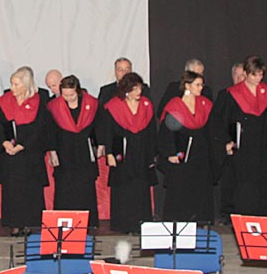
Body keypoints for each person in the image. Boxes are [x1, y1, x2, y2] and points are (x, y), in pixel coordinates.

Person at [208, 55, 267, 216]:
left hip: (262, 148)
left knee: (263, 187)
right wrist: (227, 141)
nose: (258, 78)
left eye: (261, 74)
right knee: (244, 188)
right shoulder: (232, 94)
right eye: (254, 75)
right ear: (246, 74)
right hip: (242, 149)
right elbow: (221, 121)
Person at [99, 72, 157, 233]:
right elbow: (108, 132)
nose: (139, 91)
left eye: (140, 88)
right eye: (135, 88)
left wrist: (152, 154)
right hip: (122, 152)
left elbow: (152, 131)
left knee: (141, 187)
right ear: (126, 89)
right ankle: (123, 224)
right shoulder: (113, 106)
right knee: (123, 188)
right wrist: (109, 153)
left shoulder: (146, 104)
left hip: (142, 152)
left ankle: (141, 222)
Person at [0, 66, 51, 236]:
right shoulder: (3, 100)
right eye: (12, 83)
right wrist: (4, 142)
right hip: (9, 154)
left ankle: (29, 223)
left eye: (16, 84)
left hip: (30, 153)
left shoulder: (39, 100)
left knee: (30, 189)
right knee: (12, 190)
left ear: (26, 85)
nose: (12, 88)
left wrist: (22, 145)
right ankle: (14, 224)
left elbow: (40, 128)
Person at [159, 70, 217, 223]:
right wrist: (170, 153)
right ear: (187, 86)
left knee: (200, 187)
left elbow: (212, 129)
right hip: (181, 155)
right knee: (181, 189)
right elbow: (166, 133)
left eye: (202, 85)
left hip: (200, 154)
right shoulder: (175, 105)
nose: (201, 88)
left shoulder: (205, 104)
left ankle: (200, 221)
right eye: (197, 85)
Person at [46, 75, 100, 227]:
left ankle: (87, 223)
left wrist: (100, 145)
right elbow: (50, 131)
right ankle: (64, 224)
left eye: (71, 95)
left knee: (85, 187)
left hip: (84, 151)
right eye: (65, 95)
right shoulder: (53, 106)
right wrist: (52, 151)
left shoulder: (91, 103)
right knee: (65, 187)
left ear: (78, 91)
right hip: (64, 151)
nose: (68, 98)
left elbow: (99, 126)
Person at [215, 62, 247, 224]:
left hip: (247, 148)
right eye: (237, 75)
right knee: (229, 182)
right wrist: (226, 142)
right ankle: (228, 214)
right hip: (229, 147)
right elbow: (218, 121)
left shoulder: (253, 96)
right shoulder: (224, 94)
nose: (240, 79)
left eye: (243, 75)